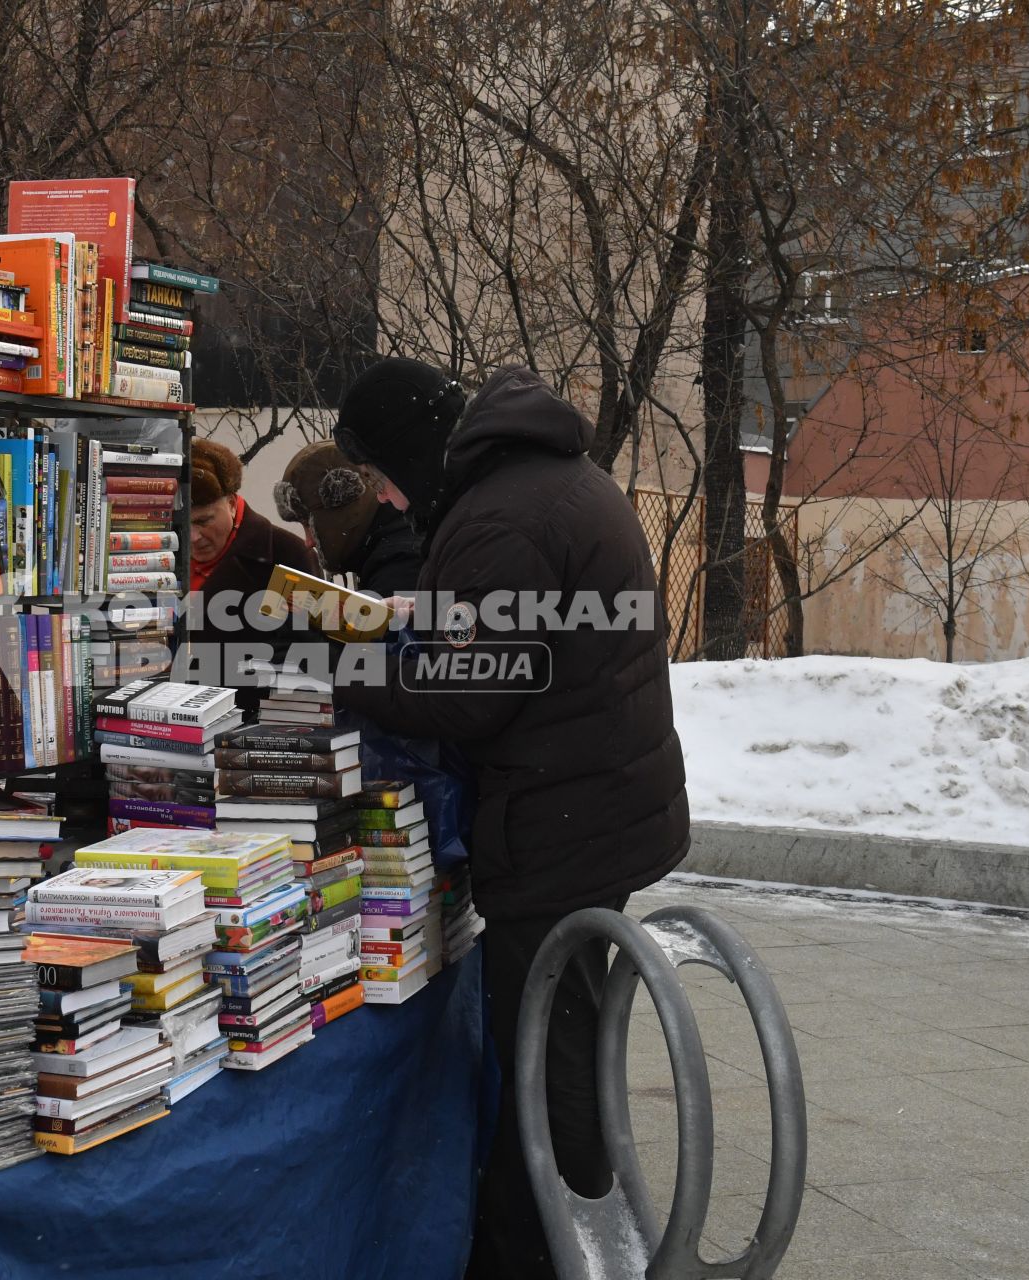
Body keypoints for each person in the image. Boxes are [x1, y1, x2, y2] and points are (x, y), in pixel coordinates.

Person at [330, 358, 688, 1279]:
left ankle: (536, 1253)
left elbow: (471, 691)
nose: (393, 499)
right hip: (593, 799)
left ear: (409, 448)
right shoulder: (538, 480)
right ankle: (565, 1231)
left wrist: (343, 668)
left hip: (560, 819)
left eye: (384, 473)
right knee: (563, 1032)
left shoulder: (499, 516)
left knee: (546, 1052)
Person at [181, 437, 318, 669]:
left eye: (204, 521)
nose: (194, 536)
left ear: (232, 504)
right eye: (184, 525)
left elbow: (307, 655)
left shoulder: (288, 556)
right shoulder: (160, 552)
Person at [273, 441, 423, 598]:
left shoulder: (398, 568)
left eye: (309, 525)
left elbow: (394, 622)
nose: (308, 542)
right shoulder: (391, 546)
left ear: (339, 509)